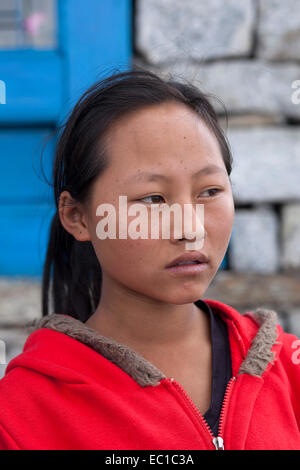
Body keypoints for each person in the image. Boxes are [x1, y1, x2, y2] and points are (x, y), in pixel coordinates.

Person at [0, 69, 299, 450]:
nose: (189, 228)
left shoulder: (288, 372)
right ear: (78, 216)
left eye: (209, 191)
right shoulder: (21, 417)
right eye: (153, 199)